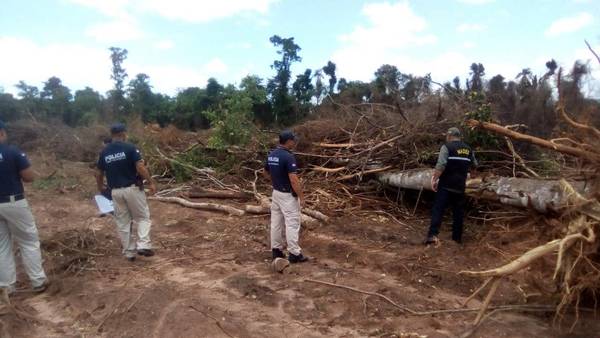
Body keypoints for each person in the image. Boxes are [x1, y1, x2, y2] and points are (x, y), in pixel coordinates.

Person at [0, 120, 49, 294]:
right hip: (13, 202)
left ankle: (6, 286)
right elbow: (29, 177)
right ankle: (37, 281)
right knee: (28, 241)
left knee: (2, 246)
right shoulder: (12, 151)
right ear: (2, 133)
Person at [96, 123, 157, 261]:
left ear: (112, 135)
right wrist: (151, 182)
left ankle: (129, 252)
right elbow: (140, 167)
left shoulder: (104, 152)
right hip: (132, 189)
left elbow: (98, 173)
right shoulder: (130, 148)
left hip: (115, 192)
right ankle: (143, 245)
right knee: (142, 217)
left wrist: (101, 188)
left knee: (123, 222)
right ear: (123, 134)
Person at [425, 127, 477, 245]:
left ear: (449, 136)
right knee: (458, 212)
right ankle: (457, 239)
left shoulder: (446, 147)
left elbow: (441, 165)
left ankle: (432, 235)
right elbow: (474, 165)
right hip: (460, 186)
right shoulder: (468, 149)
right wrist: (473, 175)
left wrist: (434, 179)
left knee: (438, 210)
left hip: (446, 185)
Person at [264, 130, 308, 263]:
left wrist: (276, 181)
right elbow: (294, 180)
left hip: (276, 193)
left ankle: (276, 251)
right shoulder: (288, 157)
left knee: (276, 223)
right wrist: (301, 197)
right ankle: (294, 253)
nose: (294, 142)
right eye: (293, 140)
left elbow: (265, 172)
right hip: (287, 195)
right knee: (292, 223)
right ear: (288, 141)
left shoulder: (272, 154)